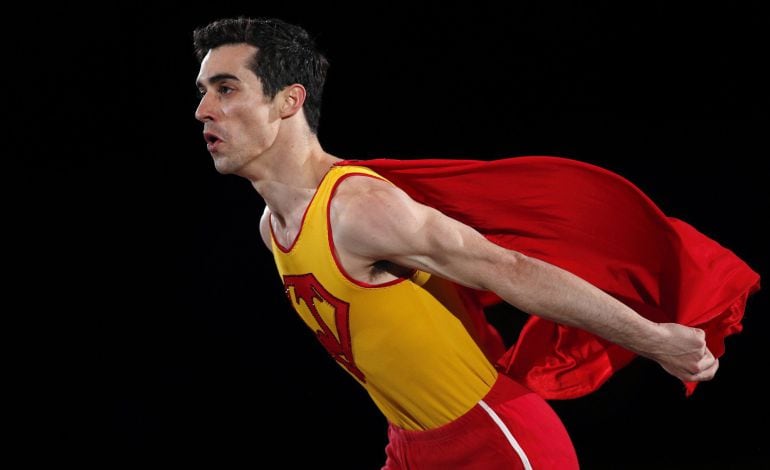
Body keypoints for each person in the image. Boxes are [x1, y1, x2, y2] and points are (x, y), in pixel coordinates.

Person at [192, 17, 759, 469]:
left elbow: (507, 268)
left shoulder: (356, 208)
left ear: (289, 101)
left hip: (499, 445)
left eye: (226, 88)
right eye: (202, 91)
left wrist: (656, 341)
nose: (202, 111)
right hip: (412, 448)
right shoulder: (273, 228)